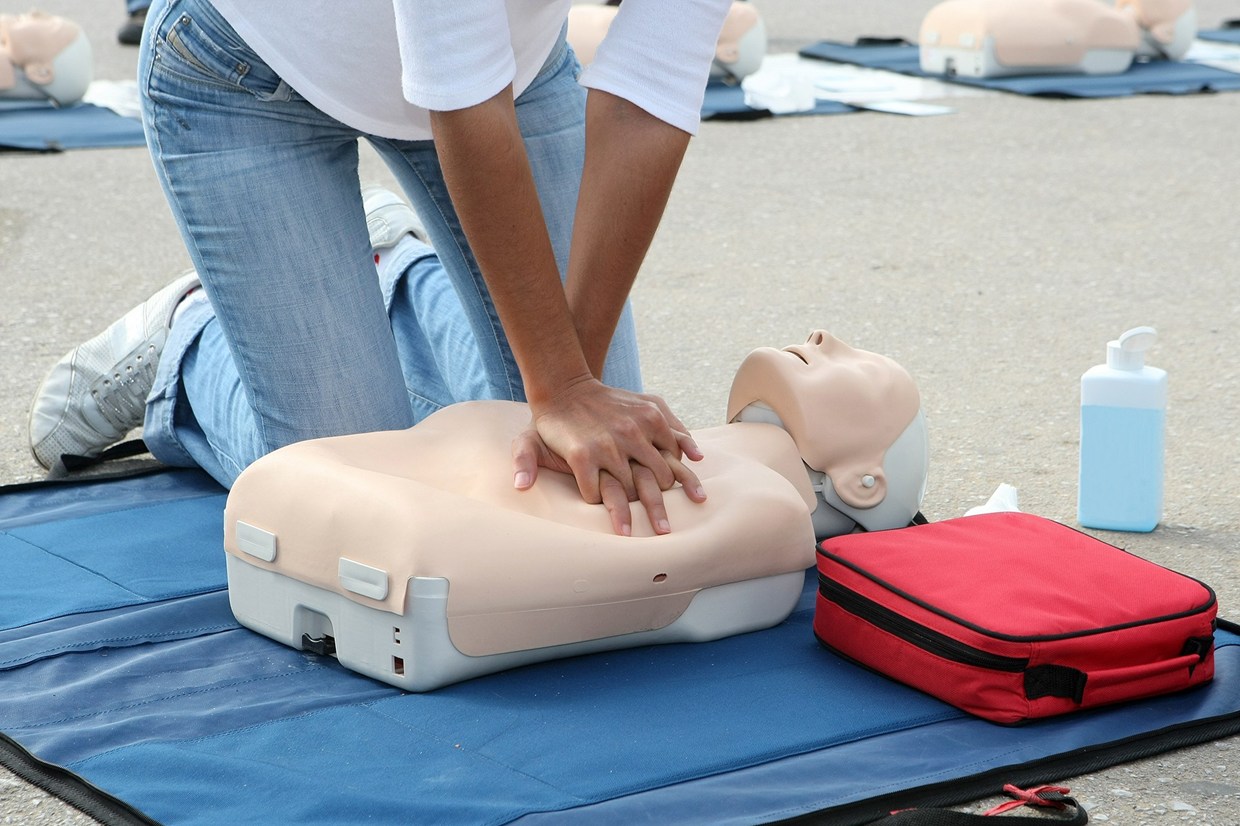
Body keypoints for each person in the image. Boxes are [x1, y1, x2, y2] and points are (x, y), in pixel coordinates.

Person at [30, 0, 731, 540]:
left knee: (592, 490)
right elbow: (463, 98)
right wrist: (563, 384)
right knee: (358, 510)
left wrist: (576, 384)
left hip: (505, 73)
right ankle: (187, 345)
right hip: (245, 74)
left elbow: (648, 99)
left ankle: (390, 274)